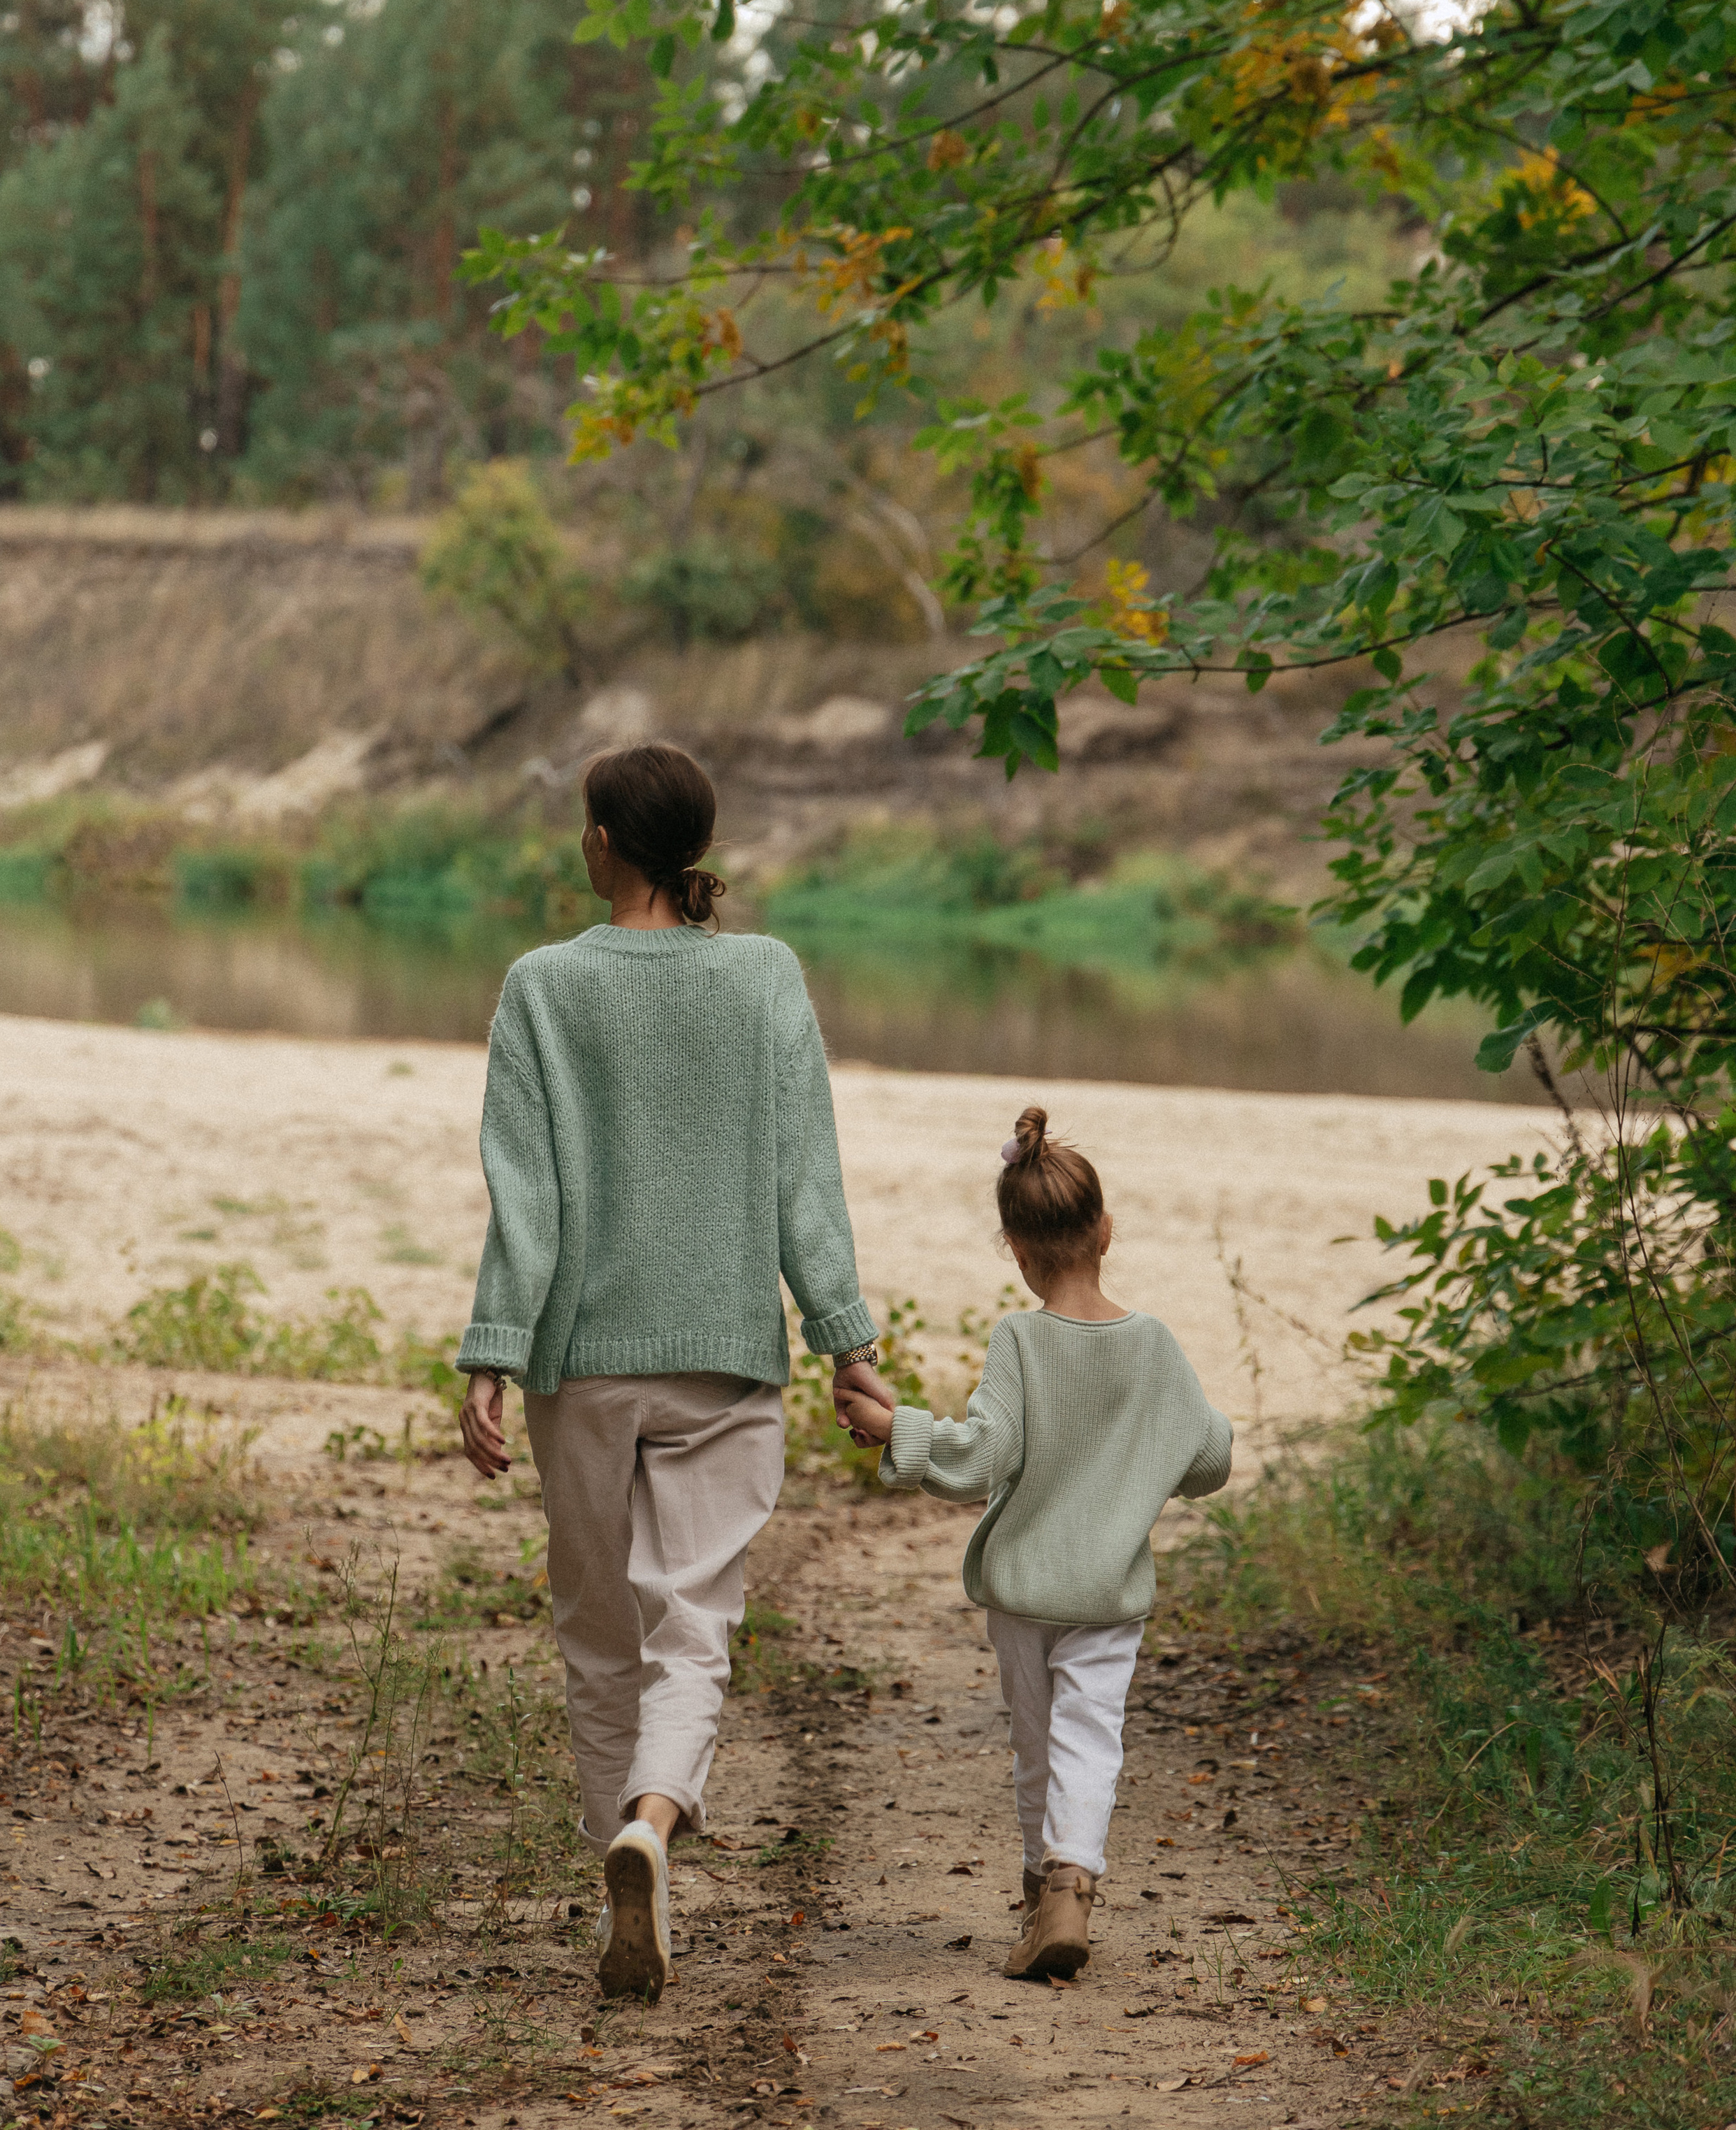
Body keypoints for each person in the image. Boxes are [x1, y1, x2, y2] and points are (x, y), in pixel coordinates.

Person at [454, 742, 893, 2003]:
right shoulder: (765, 976)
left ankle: (624, 1866)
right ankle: (652, 1824)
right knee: (692, 1628)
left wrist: (493, 1353)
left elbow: (525, 1197)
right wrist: (848, 1338)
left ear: (604, 842)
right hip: (724, 1359)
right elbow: (805, 1179)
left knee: (600, 1637)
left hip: (582, 1366)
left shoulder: (542, 986)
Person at [837, 1104, 1232, 1982]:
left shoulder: (1018, 1339)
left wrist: (896, 1428)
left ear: (1015, 1251)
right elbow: (1208, 1459)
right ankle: (1069, 1884)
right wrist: (1157, 1445)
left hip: (1024, 1592)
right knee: (1091, 1738)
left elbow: (982, 1457)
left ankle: (1037, 1894)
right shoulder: (1154, 1346)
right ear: (1105, 1231)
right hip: (1107, 1594)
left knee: (1036, 1747)